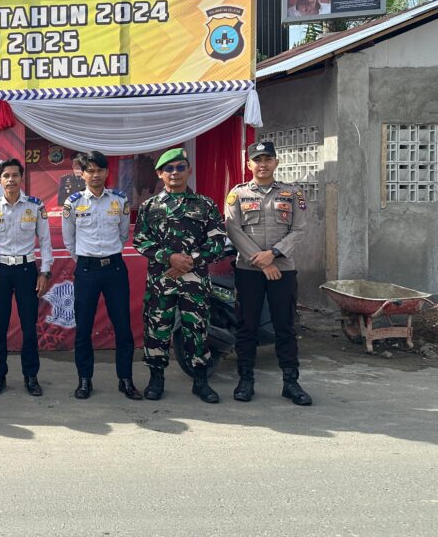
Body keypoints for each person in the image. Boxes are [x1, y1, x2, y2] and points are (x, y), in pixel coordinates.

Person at [132, 148, 226, 403]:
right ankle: (156, 378)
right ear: (160, 174)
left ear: (189, 170)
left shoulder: (205, 205)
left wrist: (190, 261)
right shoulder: (149, 206)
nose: (175, 173)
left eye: (180, 167)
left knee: (196, 328)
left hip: (194, 281)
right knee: (157, 328)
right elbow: (140, 241)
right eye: (169, 169)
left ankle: (200, 380)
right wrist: (168, 258)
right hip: (161, 280)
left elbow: (218, 242)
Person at [225, 141, 312, 406]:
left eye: (267, 159)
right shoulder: (237, 195)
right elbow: (233, 230)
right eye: (257, 159)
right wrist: (262, 262)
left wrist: (273, 254)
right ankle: (245, 379)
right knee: (247, 325)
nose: (262, 164)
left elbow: (299, 230)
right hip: (249, 270)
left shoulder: (292, 194)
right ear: (248, 164)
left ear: (276, 162)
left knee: (284, 325)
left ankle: (291, 381)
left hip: (283, 270)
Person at [62, 151, 142, 401]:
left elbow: (122, 235)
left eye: (100, 171)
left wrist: (106, 255)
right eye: (90, 171)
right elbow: (69, 240)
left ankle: (126, 380)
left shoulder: (119, 200)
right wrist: (87, 260)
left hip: (114, 269)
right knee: (83, 328)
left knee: (123, 327)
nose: (95, 176)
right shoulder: (72, 203)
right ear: (82, 174)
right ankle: (84, 380)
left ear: (107, 172)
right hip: (86, 269)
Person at [0, 158, 53, 396]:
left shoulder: (35, 206)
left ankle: (31, 376)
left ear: (22, 178)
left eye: (15, 175)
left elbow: (46, 243)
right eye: (6, 176)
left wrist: (44, 272)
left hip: (26, 271)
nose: (11, 179)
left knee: (29, 327)